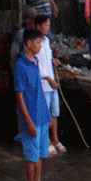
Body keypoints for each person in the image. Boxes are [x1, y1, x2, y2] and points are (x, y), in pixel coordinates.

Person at [14, 26, 53, 181]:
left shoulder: (35, 62)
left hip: (41, 115)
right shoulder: (20, 66)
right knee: (31, 156)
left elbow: (38, 92)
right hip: (30, 118)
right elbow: (19, 97)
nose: (39, 45)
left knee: (40, 154)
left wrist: (48, 116)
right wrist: (28, 122)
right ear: (28, 44)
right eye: (37, 42)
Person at [34, 14, 65, 155]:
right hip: (43, 84)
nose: (48, 28)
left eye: (48, 25)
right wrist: (47, 78)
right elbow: (34, 65)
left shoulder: (46, 41)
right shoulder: (34, 42)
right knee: (44, 116)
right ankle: (45, 142)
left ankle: (55, 139)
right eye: (45, 25)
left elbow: (46, 57)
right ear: (38, 26)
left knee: (54, 114)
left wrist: (53, 60)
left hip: (51, 84)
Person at [10, 6, 39, 72]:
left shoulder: (30, 34)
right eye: (34, 22)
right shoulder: (21, 35)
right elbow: (15, 57)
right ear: (29, 23)